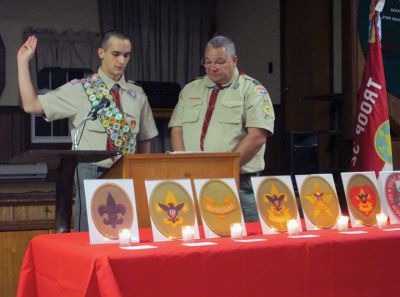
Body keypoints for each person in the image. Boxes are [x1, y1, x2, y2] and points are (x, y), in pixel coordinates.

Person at [17, 30, 158, 231]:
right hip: (92, 172)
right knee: (89, 235)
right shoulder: (81, 90)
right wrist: (23, 62)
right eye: (116, 54)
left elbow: (145, 139)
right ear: (101, 53)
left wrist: (143, 174)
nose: (121, 61)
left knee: (127, 236)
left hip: (127, 173)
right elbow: (31, 105)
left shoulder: (137, 93)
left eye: (126, 55)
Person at [169, 35, 275, 222]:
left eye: (219, 62)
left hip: (239, 182)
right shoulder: (191, 89)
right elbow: (177, 129)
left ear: (234, 60)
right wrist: (182, 165)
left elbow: (257, 136)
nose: (212, 67)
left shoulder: (252, 90)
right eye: (208, 62)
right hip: (195, 180)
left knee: (248, 242)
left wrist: (224, 169)